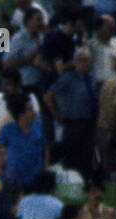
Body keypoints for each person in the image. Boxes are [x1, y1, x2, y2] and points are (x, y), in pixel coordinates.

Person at [44, 46, 98, 180]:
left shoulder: (92, 79)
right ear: (75, 62)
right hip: (73, 124)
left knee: (87, 158)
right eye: (80, 60)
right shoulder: (69, 78)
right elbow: (48, 95)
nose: (83, 63)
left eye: (86, 60)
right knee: (72, 159)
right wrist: (56, 115)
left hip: (89, 124)